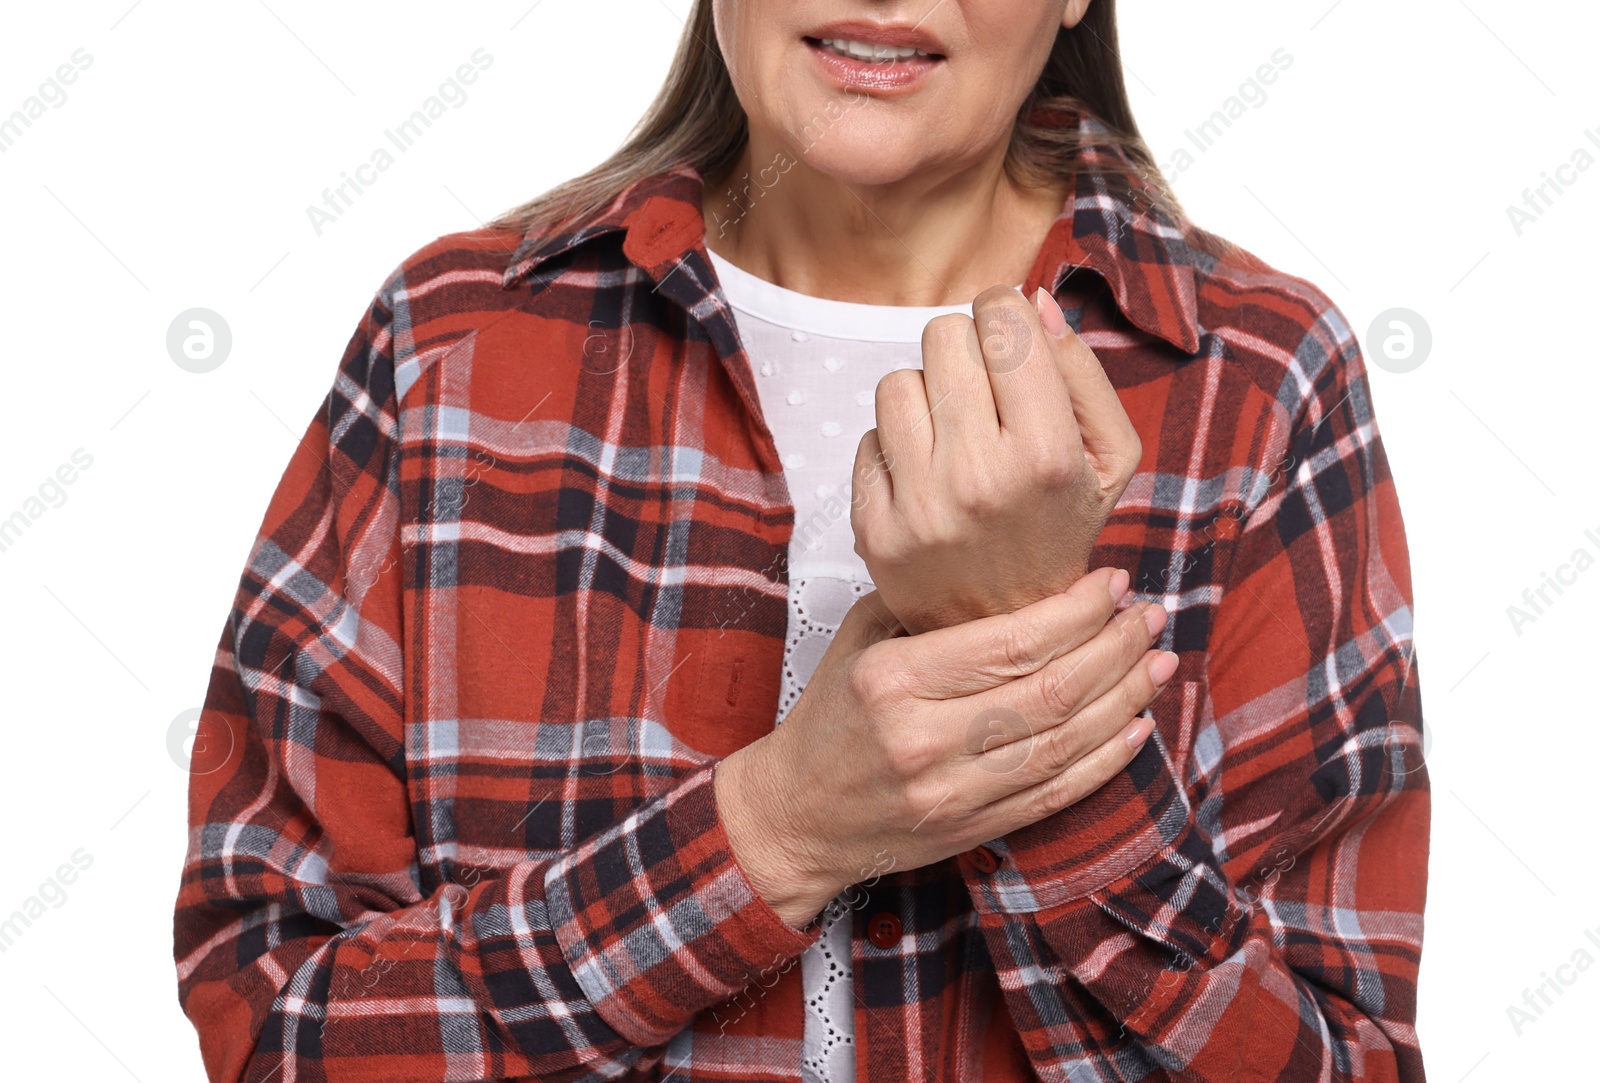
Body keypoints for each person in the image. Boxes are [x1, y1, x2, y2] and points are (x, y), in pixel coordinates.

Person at [173, 1, 1430, 1080]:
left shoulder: (1256, 381)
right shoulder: (455, 347)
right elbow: (278, 1032)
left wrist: (1009, 641)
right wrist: (781, 828)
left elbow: (1340, 1058)